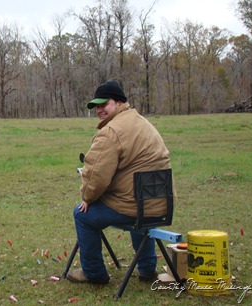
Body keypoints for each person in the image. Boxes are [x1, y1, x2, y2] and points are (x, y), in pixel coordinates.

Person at [66, 80, 174, 285]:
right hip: (160, 205)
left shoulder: (111, 131)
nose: (99, 110)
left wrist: (87, 198)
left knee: (82, 214)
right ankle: (147, 269)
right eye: (96, 106)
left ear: (118, 103)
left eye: (103, 104)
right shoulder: (143, 122)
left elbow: (96, 176)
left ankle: (93, 273)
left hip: (133, 207)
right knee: (137, 205)